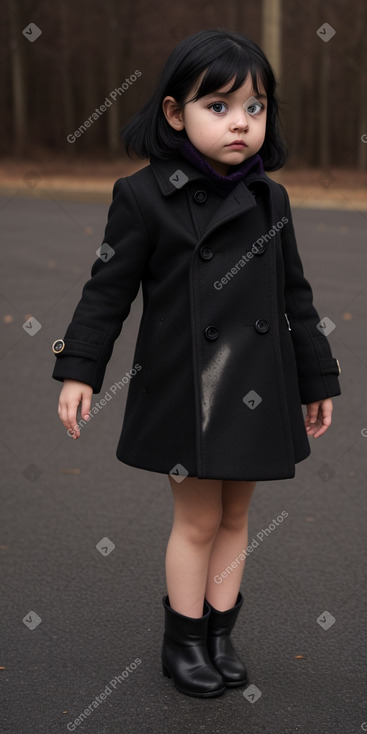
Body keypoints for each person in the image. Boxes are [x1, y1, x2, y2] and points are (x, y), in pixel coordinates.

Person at [51, 29, 342, 699]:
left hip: (258, 387)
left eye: (255, 106)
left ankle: (219, 633)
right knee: (198, 520)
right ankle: (181, 640)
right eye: (219, 105)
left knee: (237, 518)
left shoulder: (271, 199)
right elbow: (107, 290)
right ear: (175, 113)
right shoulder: (143, 195)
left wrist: (316, 376)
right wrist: (80, 367)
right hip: (188, 388)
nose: (240, 121)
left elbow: (294, 295)